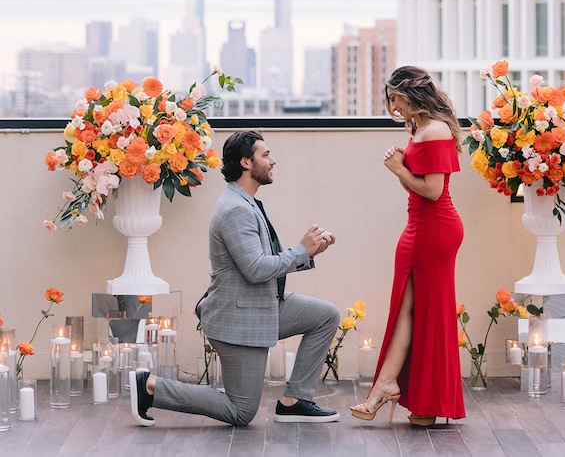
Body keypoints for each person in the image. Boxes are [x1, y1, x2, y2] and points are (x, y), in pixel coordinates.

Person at [130, 129, 341, 427]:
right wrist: (300, 250)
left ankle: (295, 400)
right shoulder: (235, 209)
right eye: (266, 155)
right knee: (241, 412)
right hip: (239, 319)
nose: (273, 161)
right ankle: (150, 386)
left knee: (325, 316)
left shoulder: (246, 201)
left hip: (263, 305)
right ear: (245, 162)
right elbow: (255, 269)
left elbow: (262, 262)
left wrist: (310, 251)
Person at [349, 66, 465, 426]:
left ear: (411, 94)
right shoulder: (423, 130)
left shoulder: (434, 130)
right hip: (421, 227)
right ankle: (413, 400)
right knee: (412, 311)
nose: (393, 105)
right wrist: (402, 169)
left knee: (421, 312)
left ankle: (392, 390)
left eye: (395, 97)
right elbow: (418, 187)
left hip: (434, 229)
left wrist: (399, 168)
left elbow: (431, 190)